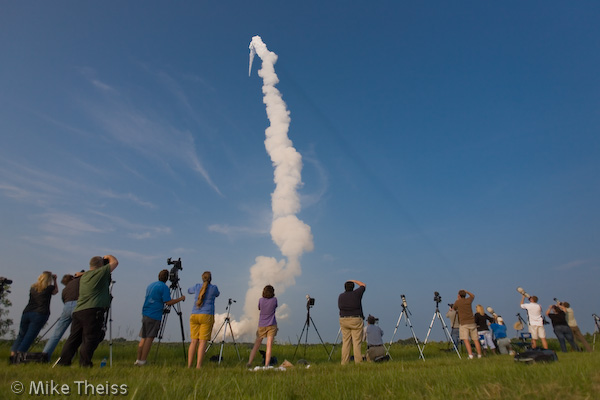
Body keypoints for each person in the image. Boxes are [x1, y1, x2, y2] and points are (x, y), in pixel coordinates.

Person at [57, 255, 119, 367]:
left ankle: (63, 361)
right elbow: (115, 262)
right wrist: (108, 257)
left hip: (79, 310)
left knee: (73, 338)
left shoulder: (84, 276)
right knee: (90, 338)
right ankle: (85, 363)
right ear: (100, 265)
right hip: (92, 310)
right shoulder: (99, 273)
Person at [134, 269, 185, 366]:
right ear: (167, 278)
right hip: (154, 315)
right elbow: (168, 302)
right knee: (150, 338)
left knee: (143, 338)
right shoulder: (164, 287)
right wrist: (180, 298)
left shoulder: (151, 285)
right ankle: (143, 361)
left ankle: (138, 359)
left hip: (146, 312)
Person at [10, 271, 58, 363]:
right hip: (40, 314)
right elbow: (56, 291)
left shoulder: (33, 287)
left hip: (27, 312)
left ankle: (13, 356)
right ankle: (19, 357)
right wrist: (55, 280)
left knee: (21, 336)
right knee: (29, 337)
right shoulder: (49, 288)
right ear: (49, 279)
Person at [42, 271, 84, 361]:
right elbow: (91, 274)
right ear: (72, 278)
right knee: (76, 334)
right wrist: (79, 274)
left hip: (66, 307)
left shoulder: (65, 290)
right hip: (78, 305)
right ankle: (69, 357)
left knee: (56, 335)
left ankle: (45, 356)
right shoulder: (78, 281)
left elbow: (64, 301)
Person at [187, 271, 219, 368]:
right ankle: (198, 366)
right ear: (210, 279)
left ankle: (189, 365)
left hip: (194, 314)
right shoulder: (213, 288)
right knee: (202, 341)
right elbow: (217, 294)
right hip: (206, 315)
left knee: (193, 341)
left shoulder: (197, 286)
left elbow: (189, 290)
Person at [247, 285, 278, 368]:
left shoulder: (261, 300)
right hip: (271, 324)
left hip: (261, 325)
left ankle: (249, 362)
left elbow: (259, 308)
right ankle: (266, 365)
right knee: (269, 346)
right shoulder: (274, 300)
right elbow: (275, 307)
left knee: (256, 345)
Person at [338, 279, 366, 365]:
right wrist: (353, 280)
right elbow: (363, 285)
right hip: (356, 319)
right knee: (356, 342)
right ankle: (358, 362)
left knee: (346, 342)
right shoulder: (356, 294)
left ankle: (344, 362)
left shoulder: (341, 296)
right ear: (353, 287)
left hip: (343, 320)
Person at [453, 289, 482, 359]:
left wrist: (458, 299)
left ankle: (470, 355)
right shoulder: (468, 300)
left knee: (466, 340)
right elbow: (473, 295)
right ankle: (479, 355)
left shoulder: (458, 302)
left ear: (459, 295)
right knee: (475, 340)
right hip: (472, 322)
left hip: (464, 323)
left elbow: (454, 308)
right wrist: (467, 291)